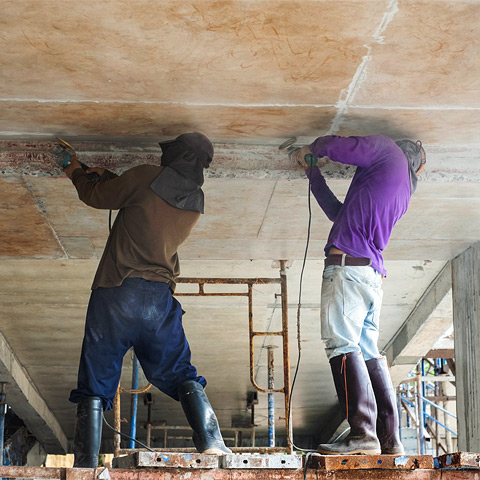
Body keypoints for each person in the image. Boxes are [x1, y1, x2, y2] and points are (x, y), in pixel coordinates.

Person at [63, 132, 231, 468]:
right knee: (180, 371)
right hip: (158, 301)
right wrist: (114, 179)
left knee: (96, 379)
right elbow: (144, 203)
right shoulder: (195, 200)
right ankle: (212, 443)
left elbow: (97, 196)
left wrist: (75, 171)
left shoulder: (144, 175)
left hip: (117, 291)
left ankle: (85, 464)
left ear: (173, 155)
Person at [292, 135, 426, 455]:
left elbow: (344, 146)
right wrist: (313, 174)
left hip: (348, 270)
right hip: (367, 275)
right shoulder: (401, 187)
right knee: (367, 353)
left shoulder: (387, 150)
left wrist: (313, 149)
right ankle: (389, 439)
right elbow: (338, 212)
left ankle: (363, 432)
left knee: (342, 343)